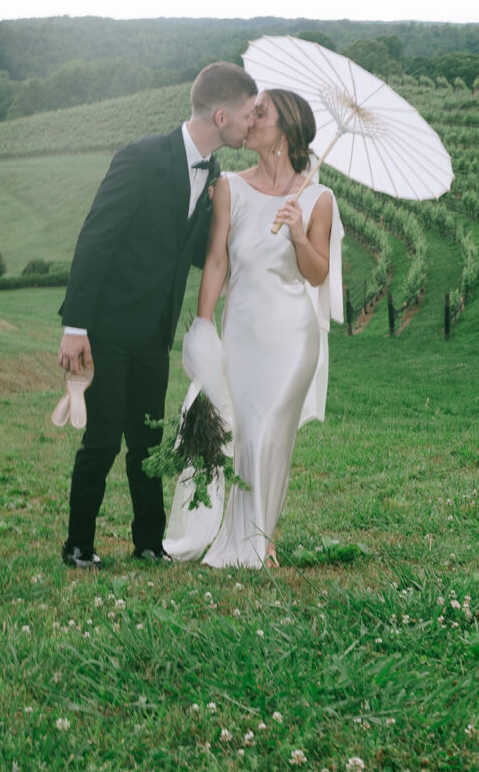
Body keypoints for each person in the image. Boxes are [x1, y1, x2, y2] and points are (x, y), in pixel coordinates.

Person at [58, 62, 258, 568]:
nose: (251, 125)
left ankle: (148, 544)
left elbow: (190, 252)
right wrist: (76, 326)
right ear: (220, 116)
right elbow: (96, 238)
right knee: (102, 440)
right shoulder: (143, 157)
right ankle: (78, 545)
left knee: (148, 442)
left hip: (155, 336)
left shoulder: (213, 174)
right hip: (107, 329)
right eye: (247, 116)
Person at [164, 89, 344, 568]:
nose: (250, 120)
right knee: (239, 436)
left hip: (291, 338)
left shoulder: (319, 198)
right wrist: (203, 326)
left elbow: (318, 273)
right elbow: (217, 260)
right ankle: (234, 537)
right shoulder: (230, 188)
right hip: (241, 332)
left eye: (260, 113)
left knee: (269, 436)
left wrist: (299, 234)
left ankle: (258, 541)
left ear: (283, 128)